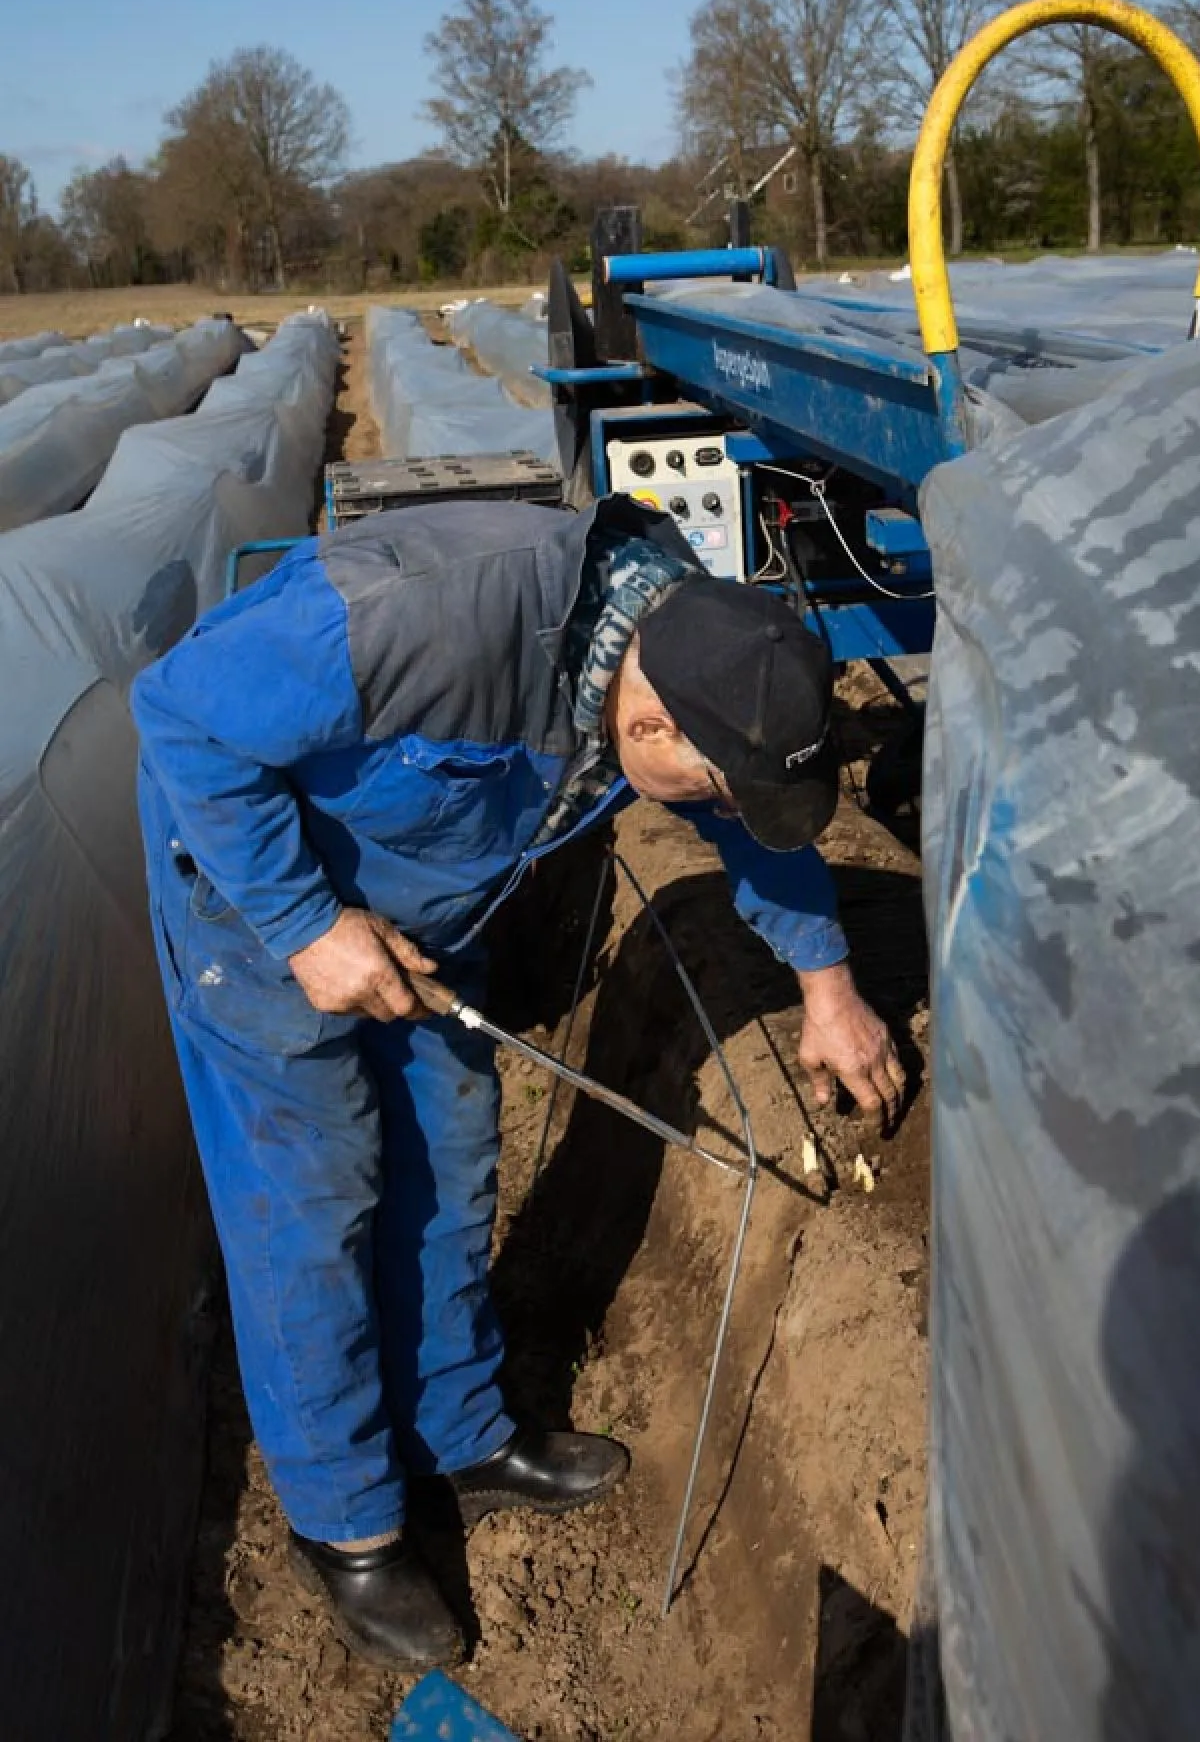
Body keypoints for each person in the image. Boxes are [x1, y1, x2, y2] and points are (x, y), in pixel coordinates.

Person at [133, 491, 905, 1670]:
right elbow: (181, 713)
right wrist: (303, 922)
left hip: (429, 905)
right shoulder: (423, 618)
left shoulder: (697, 641)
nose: (712, 815)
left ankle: (460, 1432)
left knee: (448, 1141)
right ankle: (344, 1522)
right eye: (701, 792)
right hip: (252, 899)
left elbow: (753, 825)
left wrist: (826, 982)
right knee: (314, 1194)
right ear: (641, 726)